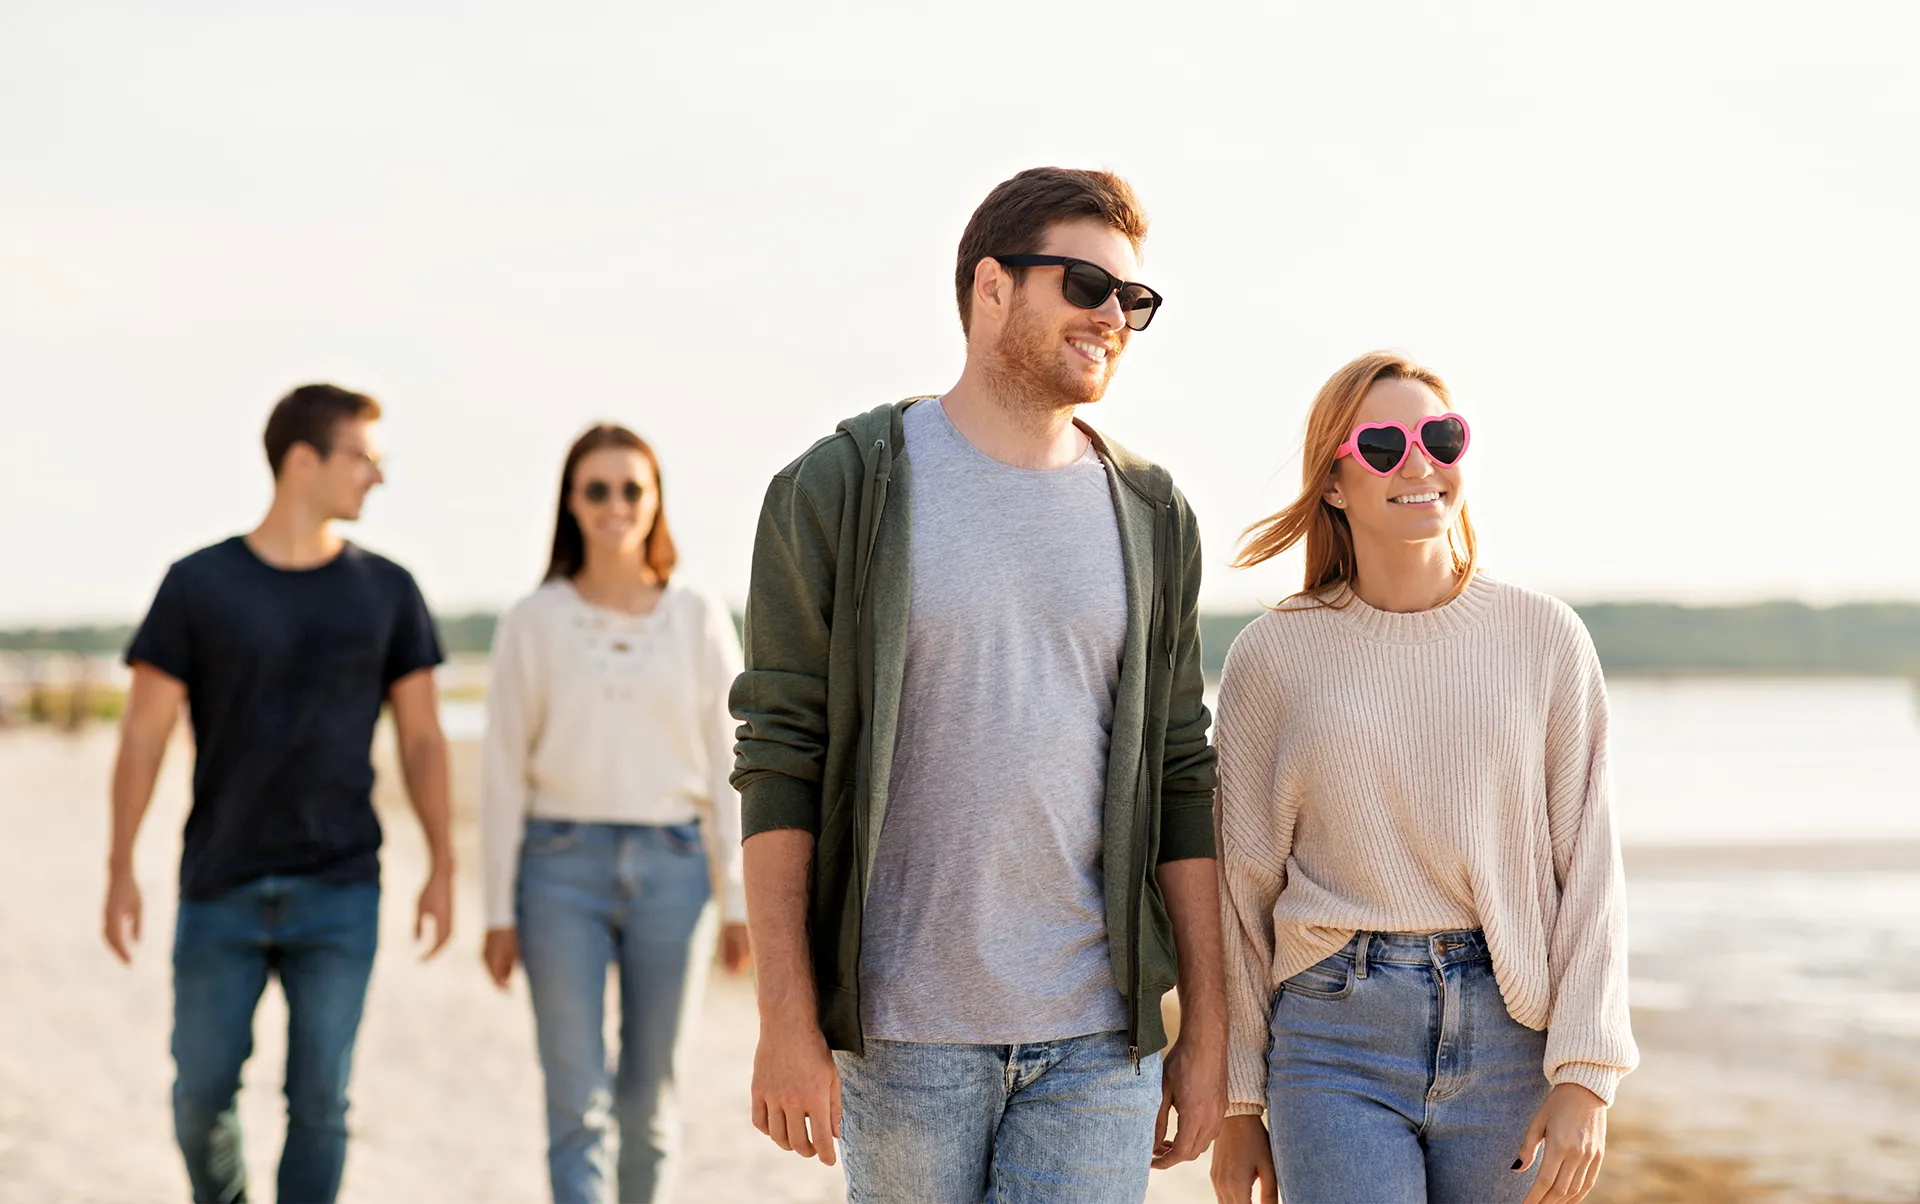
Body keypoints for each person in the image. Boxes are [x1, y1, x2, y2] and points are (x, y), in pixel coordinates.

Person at [731, 166, 1226, 1202]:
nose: (1114, 318)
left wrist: (1208, 1030)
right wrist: (785, 1016)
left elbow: (1183, 773)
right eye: (1087, 286)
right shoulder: (838, 488)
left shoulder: (1152, 514)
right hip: (903, 1036)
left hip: (1099, 1040)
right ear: (992, 286)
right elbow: (780, 759)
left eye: (1133, 299)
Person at [1207, 352, 1638, 1204]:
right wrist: (1238, 1102)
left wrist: (1587, 1073)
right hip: (1333, 1039)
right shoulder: (1274, 656)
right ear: (1334, 484)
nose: (1419, 463)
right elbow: (1241, 891)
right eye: (1383, 446)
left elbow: (1590, 867)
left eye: (1440, 437)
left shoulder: (1544, 638)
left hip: (1512, 1034)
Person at [103, 383, 454, 1204]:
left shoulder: (389, 590)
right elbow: (144, 736)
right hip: (219, 884)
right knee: (199, 1100)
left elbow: (423, 739)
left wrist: (443, 863)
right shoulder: (195, 584)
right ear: (303, 460)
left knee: (321, 1104)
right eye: (363, 458)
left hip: (340, 888)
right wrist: (119, 867)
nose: (377, 477)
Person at [479, 424, 751, 1204]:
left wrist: (738, 901)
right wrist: (497, 912)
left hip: (677, 874)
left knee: (650, 1105)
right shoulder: (533, 621)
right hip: (557, 871)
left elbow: (733, 766)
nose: (615, 505)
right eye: (596, 489)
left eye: (632, 488)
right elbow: (500, 773)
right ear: (571, 502)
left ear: (656, 499)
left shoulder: (697, 615)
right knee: (575, 1103)